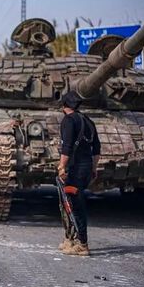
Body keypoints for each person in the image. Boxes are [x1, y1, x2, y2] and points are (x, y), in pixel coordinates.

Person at [57, 91, 100, 256]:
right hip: (86, 168)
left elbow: (66, 147)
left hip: (74, 169)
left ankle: (83, 244)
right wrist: (94, 168)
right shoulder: (88, 120)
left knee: (74, 204)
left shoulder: (69, 121)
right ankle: (70, 239)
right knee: (68, 202)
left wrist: (61, 166)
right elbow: (96, 148)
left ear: (64, 106)